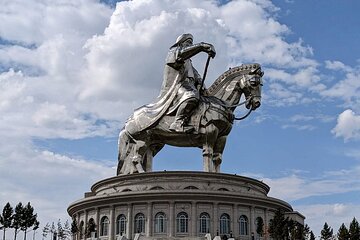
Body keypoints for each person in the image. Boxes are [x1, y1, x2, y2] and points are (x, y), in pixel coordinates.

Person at [161, 33, 216, 132]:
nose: (190, 45)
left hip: (190, 85)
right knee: (191, 96)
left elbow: (195, 74)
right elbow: (181, 55)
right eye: (188, 42)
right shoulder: (174, 53)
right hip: (178, 86)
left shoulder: (189, 62)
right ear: (180, 44)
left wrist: (200, 83)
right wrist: (201, 46)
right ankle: (177, 123)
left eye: (191, 43)